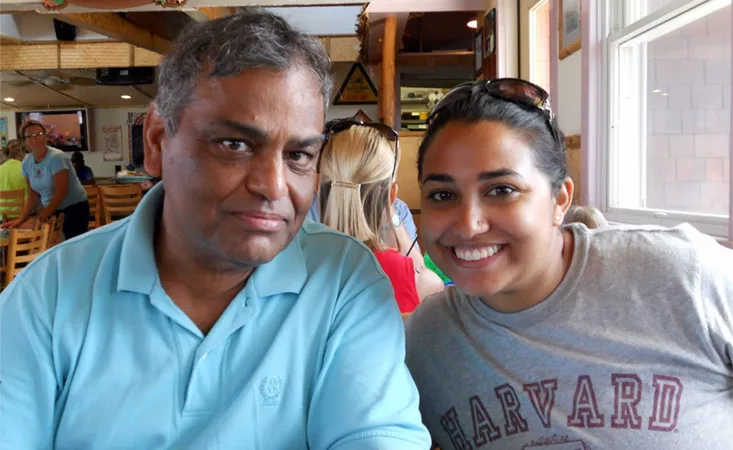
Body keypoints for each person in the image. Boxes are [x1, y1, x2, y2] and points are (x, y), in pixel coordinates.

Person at [0, 11, 430, 450]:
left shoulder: (343, 279)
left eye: (299, 154)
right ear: (156, 141)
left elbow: (378, 437)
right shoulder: (47, 297)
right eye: (235, 145)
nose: (273, 186)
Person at [404, 79, 733, 449]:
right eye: (443, 195)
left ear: (560, 199)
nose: (468, 223)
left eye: (501, 190)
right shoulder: (423, 342)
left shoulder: (684, 275)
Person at [318, 120, 444, 312]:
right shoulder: (422, 283)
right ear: (392, 195)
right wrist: (391, 209)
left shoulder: (295, 265)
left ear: (318, 189)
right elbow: (416, 266)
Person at [0, 120, 89, 239]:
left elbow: (61, 192)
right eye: (31, 136)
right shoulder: (27, 162)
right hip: (52, 209)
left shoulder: (57, 157)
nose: (37, 138)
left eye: (40, 134)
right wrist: (21, 219)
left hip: (74, 208)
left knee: (71, 247)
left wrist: (41, 217)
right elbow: (33, 194)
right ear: (25, 141)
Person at [0, 139, 28, 222]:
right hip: (23, 217)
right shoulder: (26, 168)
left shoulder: (1, 168)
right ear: (20, 151)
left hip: (1, 217)